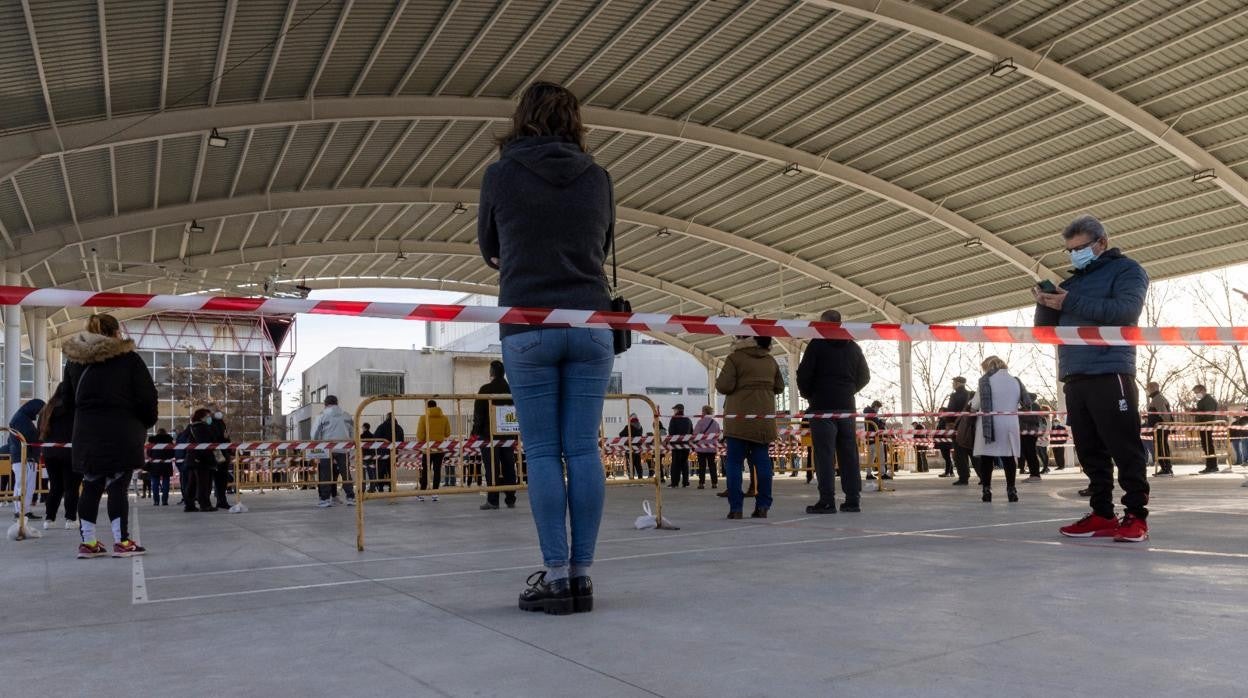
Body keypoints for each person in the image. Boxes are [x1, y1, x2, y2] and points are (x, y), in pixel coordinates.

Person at [478, 81, 615, 615]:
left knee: (540, 453)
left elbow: (489, 248)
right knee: (582, 449)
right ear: (575, 123)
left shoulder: (501, 174)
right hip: (590, 322)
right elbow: (601, 245)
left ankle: (555, 577)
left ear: (521, 118)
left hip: (528, 324)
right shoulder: (598, 177)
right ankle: (582, 578)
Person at [1035, 215, 1150, 542]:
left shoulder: (1127, 270)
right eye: (1069, 251)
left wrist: (1069, 301)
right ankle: (1102, 513)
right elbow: (1046, 332)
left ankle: (1136, 516)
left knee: (1124, 446)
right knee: (1089, 450)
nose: (1074, 256)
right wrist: (1046, 303)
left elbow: (1125, 312)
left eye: (1080, 248)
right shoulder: (1071, 284)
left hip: (1110, 370)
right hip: (1075, 374)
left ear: (1102, 243)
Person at [61, 313, 158, 557]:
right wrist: (145, 422)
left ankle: (89, 543)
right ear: (116, 333)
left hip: (87, 434)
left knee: (91, 484)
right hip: (122, 433)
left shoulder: (74, 362)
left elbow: (67, 401)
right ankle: (122, 542)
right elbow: (147, 397)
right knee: (118, 485)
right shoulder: (129, 360)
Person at [796, 309, 869, 514]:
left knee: (824, 456)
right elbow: (865, 376)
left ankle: (827, 500)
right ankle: (853, 499)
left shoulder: (817, 345)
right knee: (849, 455)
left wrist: (810, 394)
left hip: (822, 407)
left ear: (825, 324)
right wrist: (848, 390)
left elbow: (804, 374)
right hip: (847, 408)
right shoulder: (854, 347)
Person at [717, 336, 785, 520]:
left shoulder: (734, 358)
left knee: (734, 464)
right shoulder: (770, 361)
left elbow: (723, 385)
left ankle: (736, 508)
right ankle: (763, 506)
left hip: (738, 420)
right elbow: (780, 387)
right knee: (763, 463)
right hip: (763, 420)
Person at [970, 356, 1025, 503]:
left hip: (989, 425)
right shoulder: (1015, 381)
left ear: (988, 367)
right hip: (1010, 424)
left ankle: (987, 490)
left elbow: (975, 405)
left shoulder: (985, 382)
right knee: (1009, 458)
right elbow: (1022, 403)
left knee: (987, 458)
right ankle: (1011, 490)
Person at [475, 360, 517, 510]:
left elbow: (479, 414)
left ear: (491, 372)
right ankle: (511, 499)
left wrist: (476, 431)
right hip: (508, 433)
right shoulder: (511, 389)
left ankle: (493, 500)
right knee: (509, 466)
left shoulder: (485, 389)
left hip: (489, 435)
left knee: (492, 467)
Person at [38, 382, 79, 529]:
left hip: (50, 454)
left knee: (55, 486)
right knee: (71, 487)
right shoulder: (74, 409)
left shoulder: (46, 409)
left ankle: (49, 519)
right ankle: (70, 519)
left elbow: (40, 432)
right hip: (70, 453)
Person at [312, 395, 355, 508]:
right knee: (345, 473)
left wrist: (317, 448)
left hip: (326, 448)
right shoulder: (347, 415)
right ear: (337, 403)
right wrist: (349, 447)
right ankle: (351, 497)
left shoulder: (321, 415)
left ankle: (325, 499)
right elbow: (353, 433)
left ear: (325, 404)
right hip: (343, 448)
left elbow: (314, 434)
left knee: (326, 474)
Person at [8, 398, 45, 521]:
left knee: (26, 485)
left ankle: (24, 510)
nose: (39, 414)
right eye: (39, 411)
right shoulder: (22, 419)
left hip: (24, 457)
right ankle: (21, 511)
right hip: (24, 457)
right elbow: (31, 437)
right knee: (23, 485)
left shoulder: (21, 418)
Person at [183, 409, 219, 512]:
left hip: (192, 459)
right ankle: (205, 504)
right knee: (203, 483)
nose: (210, 418)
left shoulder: (191, 427)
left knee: (192, 483)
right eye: (208, 416)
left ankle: (189, 505)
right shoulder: (202, 428)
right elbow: (205, 444)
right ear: (202, 417)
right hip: (202, 460)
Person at [416, 400, 450, 502]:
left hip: (427, 449)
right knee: (437, 470)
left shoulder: (423, 418)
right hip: (439, 449)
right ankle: (435, 494)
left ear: (427, 407)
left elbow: (420, 436)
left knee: (426, 470)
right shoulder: (444, 418)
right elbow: (447, 433)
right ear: (436, 406)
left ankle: (422, 493)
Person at [1191, 384, 1220, 474]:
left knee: (1208, 445)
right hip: (1203, 426)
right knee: (1206, 445)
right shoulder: (1203, 400)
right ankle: (1210, 465)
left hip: (1207, 425)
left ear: (1203, 390)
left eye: (1197, 392)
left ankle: (1212, 466)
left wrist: (1197, 412)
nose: (1196, 394)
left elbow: (1208, 414)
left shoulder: (1209, 400)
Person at [1145, 382, 1173, 476]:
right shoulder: (1157, 398)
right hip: (1159, 428)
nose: (1147, 390)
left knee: (1161, 447)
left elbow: (1165, 414)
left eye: (1148, 388)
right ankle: (1165, 468)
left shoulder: (1157, 399)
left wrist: (1164, 425)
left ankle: (1166, 468)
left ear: (1152, 388)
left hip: (1161, 429)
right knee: (1160, 447)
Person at [372, 413, 403, 493]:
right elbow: (401, 441)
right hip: (393, 453)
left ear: (387, 418)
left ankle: (380, 487)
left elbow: (375, 437)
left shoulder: (381, 427)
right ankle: (391, 487)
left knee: (381, 471)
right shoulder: (399, 428)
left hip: (382, 453)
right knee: (392, 471)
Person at [1018, 392, 1045, 482]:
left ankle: (1035, 474)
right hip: (1024, 432)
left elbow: (1033, 418)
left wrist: (1020, 414)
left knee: (1031, 453)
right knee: (1027, 453)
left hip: (1030, 433)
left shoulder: (1034, 405)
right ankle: (1033, 474)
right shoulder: (1024, 405)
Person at [692, 405, 720, 489]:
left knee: (702, 466)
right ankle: (714, 483)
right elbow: (718, 434)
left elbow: (695, 433)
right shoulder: (715, 423)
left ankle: (701, 483)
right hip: (712, 448)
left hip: (701, 448)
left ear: (704, 412)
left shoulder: (700, 422)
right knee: (712, 466)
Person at [208, 410, 232, 509]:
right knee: (220, 477)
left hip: (220, 452)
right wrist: (225, 438)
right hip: (218, 452)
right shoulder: (215, 423)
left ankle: (221, 500)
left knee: (221, 478)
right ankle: (220, 500)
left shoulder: (219, 423)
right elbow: (218, 439)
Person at [146, 428, 175, 506]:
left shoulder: (152, 440)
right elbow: (173, 453)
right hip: (166, 464)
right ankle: (165, 501)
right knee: (166, 482)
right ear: (165, 433)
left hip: (155, 464)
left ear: (157, 433)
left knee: (155, 483)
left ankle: (156, 501)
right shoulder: (169, 441)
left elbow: (149, 453)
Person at [667, 404, 693, 488]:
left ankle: (675, 483)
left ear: (677, 410)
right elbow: (691, 432)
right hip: (686, 445)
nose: (673, 411)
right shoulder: (688, 419)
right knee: (684, 463)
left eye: (674, 409)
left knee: (675, 464)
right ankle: (685, 482)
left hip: (676, 445)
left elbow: (671, 432)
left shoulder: (674, 419)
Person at [863, 400, 887, 480]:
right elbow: (877, 426)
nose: (878, 410)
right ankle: (882, 473)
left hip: (869, 439)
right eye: (878, 408)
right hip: (876, 438)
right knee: (881, 456)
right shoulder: (873, 414)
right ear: (875, 406)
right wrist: (882, 423)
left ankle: (869, 474)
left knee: (870, 458)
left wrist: (879, 421)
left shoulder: (867, 414)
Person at [619, 415, 645, 480]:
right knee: (638, 464)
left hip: (629, 448)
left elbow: (621, 434)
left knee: (630, 464)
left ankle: (631, 478)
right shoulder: (640, 427)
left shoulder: (628, 427)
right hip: (637, 449)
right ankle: (640, 478)